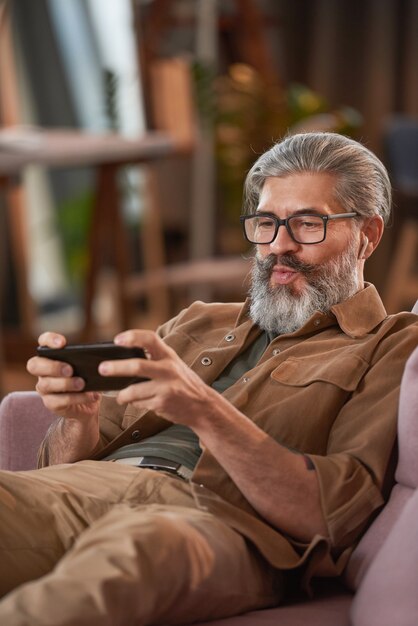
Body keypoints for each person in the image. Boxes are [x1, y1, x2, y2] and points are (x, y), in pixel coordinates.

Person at [1, 132, 417, 626]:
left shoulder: (390, 345)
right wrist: (78, 419)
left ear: (368, 234)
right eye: (266, 223)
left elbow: (335, 516)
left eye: (307, 223)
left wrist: (203, 410)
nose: (278, 247)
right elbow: (53, 473)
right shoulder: (199, 322)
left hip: (220, 524)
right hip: (88, 487)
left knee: (137, 554)